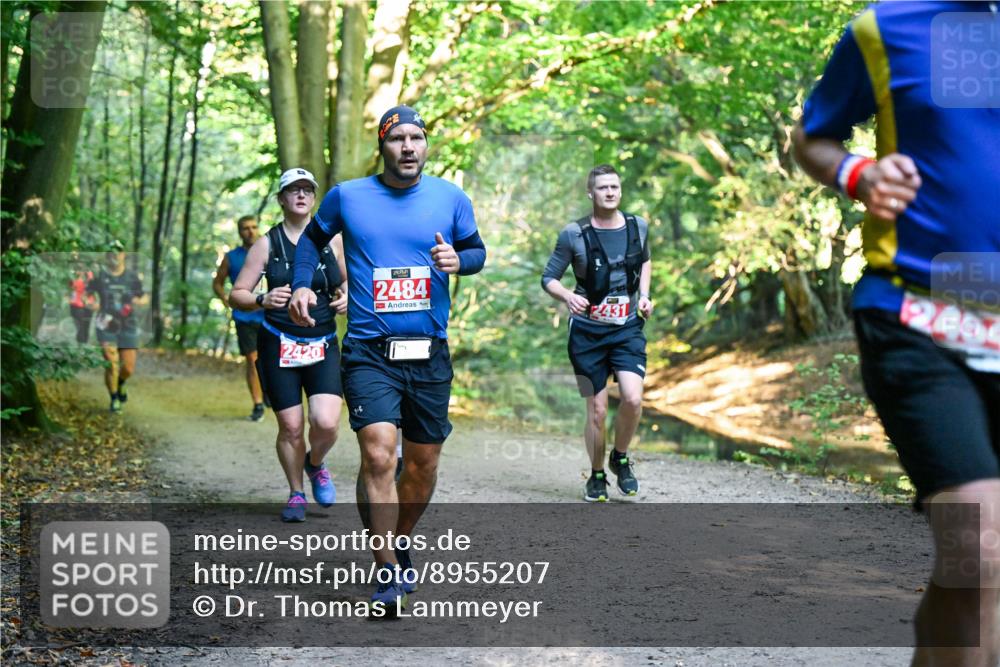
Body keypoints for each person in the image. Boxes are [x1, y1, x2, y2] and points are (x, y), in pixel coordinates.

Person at [792, 2, 999, 663]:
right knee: (983, 541)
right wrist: (860, 173)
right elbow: (812, 135)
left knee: (975, 571)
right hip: (916, 314)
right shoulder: (886, 28)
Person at [288, 105, 486, 610]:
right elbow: (310, 242)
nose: (408, 147)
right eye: (398, 138)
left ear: (425, 146)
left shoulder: (450, 198)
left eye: (416, 138)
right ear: (383, 144)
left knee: (421, 464)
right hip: (369, 351)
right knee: (378, 454)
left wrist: (458, 260)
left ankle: (399, 540)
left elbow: (477, 252)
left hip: (429, 352)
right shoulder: (348, 197)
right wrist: (300, 287)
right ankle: (387, 573)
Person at [229, 168, 348, 523]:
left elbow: (348, 283)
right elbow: (237, 294)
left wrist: (346, 297)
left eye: (307, 190)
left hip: (323, 341)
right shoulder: (267, 243)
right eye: (292, 190)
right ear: (281, 199)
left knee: (325, 423)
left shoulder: (334, 240)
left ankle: (315, 463)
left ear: (314, 198)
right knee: (292, 426)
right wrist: (262, 299)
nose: (301, 195)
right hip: (278, 343)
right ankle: (296, 492)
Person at [542, 165, 653, 502]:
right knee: (598, 410)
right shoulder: (573, 234)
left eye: (615, 187)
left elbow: (646, 260)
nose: (610, 192)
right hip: (588, 333)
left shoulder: (638, 226)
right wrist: (568, 296)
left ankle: (620, 457)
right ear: (591, 193)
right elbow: (549, 278)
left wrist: (645, 296)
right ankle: (596, 474)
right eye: (603, 187)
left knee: (633, 398)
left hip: (626, 328)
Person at [213, 215, 267, 421]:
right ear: (239, 232)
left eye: (254, 227)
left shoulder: (272, 251)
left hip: (270, 314)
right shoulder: (232, 257)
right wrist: (227, 300)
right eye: (245, 228)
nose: (250, 231)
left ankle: (270, 392)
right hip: (244, 316)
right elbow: (218, 283)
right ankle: (258, 404)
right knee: (252, 359)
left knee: (272, 359)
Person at [87, 246, 147, 413]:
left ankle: (120, 383)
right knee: (111, 362)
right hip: (105, 322)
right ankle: (114, 399)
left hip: (128, 324)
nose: (115, 255)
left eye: (118, 252)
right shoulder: (100, 276)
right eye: (111, 253)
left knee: (128, 368)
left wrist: (139, 301)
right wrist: (91, 303)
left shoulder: (132, 276)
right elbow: (87, 294)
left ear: (124, 255)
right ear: (107, 256)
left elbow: (144, 296)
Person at [68, 264, 95, 345]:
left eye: (81, 269)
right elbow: (70, 289)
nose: (79, 271)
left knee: (86, 326)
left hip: (88, 305)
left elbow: (92, 288)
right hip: (76, 306)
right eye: (77, 269)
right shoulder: (71, 277)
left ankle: (84, 346)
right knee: (80, 327)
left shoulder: (89, 276)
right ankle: (81, 346)